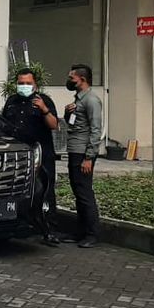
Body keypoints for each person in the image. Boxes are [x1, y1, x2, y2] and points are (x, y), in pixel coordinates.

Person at [1, 68, 60, 246]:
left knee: (44, 191)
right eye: (21, 83)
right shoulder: (12, 101)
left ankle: (49, 229)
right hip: (17, 155)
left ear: (35, 84)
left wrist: (44, 110)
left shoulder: (44, 100)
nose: (24, 86)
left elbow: (54, 125)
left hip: (41, 154)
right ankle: (21, 224)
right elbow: (4, 123)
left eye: (28, 83)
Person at [63, 64, 102, 247]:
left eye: (72, 78)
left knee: (85, 193)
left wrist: (88, 158)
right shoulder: (79, 99)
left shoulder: (91, 100)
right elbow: (73, 123)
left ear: (82, 79)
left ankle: (92, 234)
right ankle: (80, 232)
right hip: (75, 150)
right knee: (78, 193)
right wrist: (67, 113)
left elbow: (96, 130)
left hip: (83, 153)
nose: (69, 81)